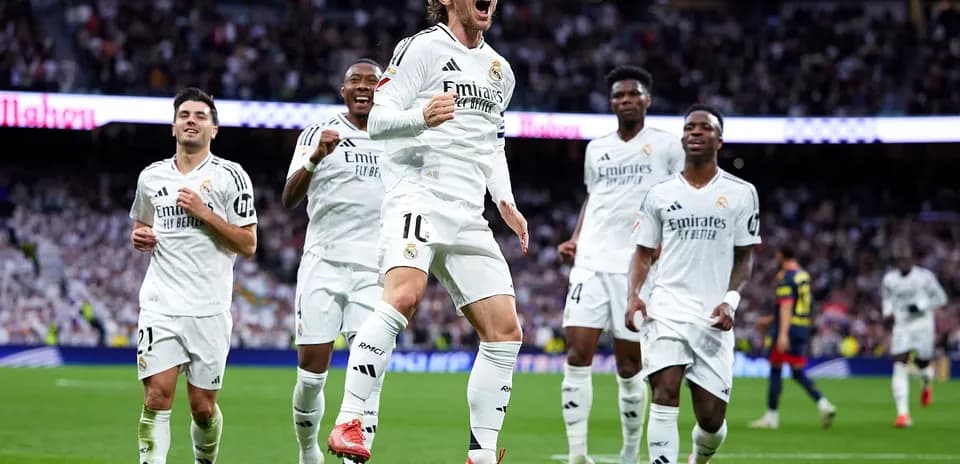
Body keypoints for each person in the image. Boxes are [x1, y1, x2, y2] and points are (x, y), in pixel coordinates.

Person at [325, 1, 527, 463]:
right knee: (404, 296)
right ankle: (349, 420)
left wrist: (505, 200)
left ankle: (481, 453)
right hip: (418, 191)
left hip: (468, 211)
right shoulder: (421, 48)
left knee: (505, 330)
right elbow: (377, 121)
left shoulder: (501, 71)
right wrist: (422, 117)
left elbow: (493, 143)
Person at [556, 65, 683, 464]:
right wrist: (576, 238)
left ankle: (629, 453)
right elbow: (593, 198)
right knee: (577, 354)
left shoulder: (666, 146)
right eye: (618, 96)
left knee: (630, 365)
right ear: (611, 102)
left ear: (647, 99)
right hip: (591, 263)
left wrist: (667, 240)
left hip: (636, 267)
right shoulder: (597, 148)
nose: (625, 100)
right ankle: (578, 453)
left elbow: (680, 197)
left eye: (633, 94)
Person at [625, 104, 760, 464]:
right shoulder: (660, 193)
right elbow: (641, 253)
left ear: (720, 139)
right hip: (665, 308)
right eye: (689, 128)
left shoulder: (741, 193)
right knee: (665, 395)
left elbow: (745, 257)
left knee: (711, 420)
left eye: (704, 128)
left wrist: (730, 301)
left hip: (713, 317)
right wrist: (633, 297)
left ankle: (699, 457)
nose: (695, 132)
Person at [130, 87, 258, 464]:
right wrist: (139, 237)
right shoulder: (151, 177)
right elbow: (141, 224)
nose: (191, 121)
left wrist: (205, 213)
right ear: (173, 126)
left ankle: (205, 460)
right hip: (160, 305)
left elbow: (248, 243)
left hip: (209, 309)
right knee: (157, 397)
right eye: (184, 115)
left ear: (214, 130)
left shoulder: (231, 176)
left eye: (200, 116)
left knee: (202, 408)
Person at [281, 59, 385, 464]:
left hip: (374, 273)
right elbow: (289, 198)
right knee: (311, 377)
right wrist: (315, 158)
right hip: (323, 265)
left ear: (383, 90)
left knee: (370, 378)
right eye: (355, 81)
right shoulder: (319, 132)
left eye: (372, 81)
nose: (363, 87)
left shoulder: (396, 137)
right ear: (343, 91)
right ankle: (309, 452)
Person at [748, 245, 836, 430]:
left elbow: (787, 306)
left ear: (781, 255)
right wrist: (770, 319)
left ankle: (771, 417)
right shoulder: (803, 275)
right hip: (802, 327)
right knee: (796, 371)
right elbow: (798, 305)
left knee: (775, 369)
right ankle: (824, 404)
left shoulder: (786, 278)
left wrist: (782, 334)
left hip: (787, 329)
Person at [882, 244, 947, 428]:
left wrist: (920, 306)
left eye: (905, 259)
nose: (902, 263)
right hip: (902, 325)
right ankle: (903, 414)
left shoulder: (924, 277)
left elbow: (942, 298)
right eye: (899, 260)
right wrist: (887, 312)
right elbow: (887, 298)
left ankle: (926, 384)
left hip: (922, 325)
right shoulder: (889, 279)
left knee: (922, 363)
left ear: (912, 260)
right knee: (899, 364)